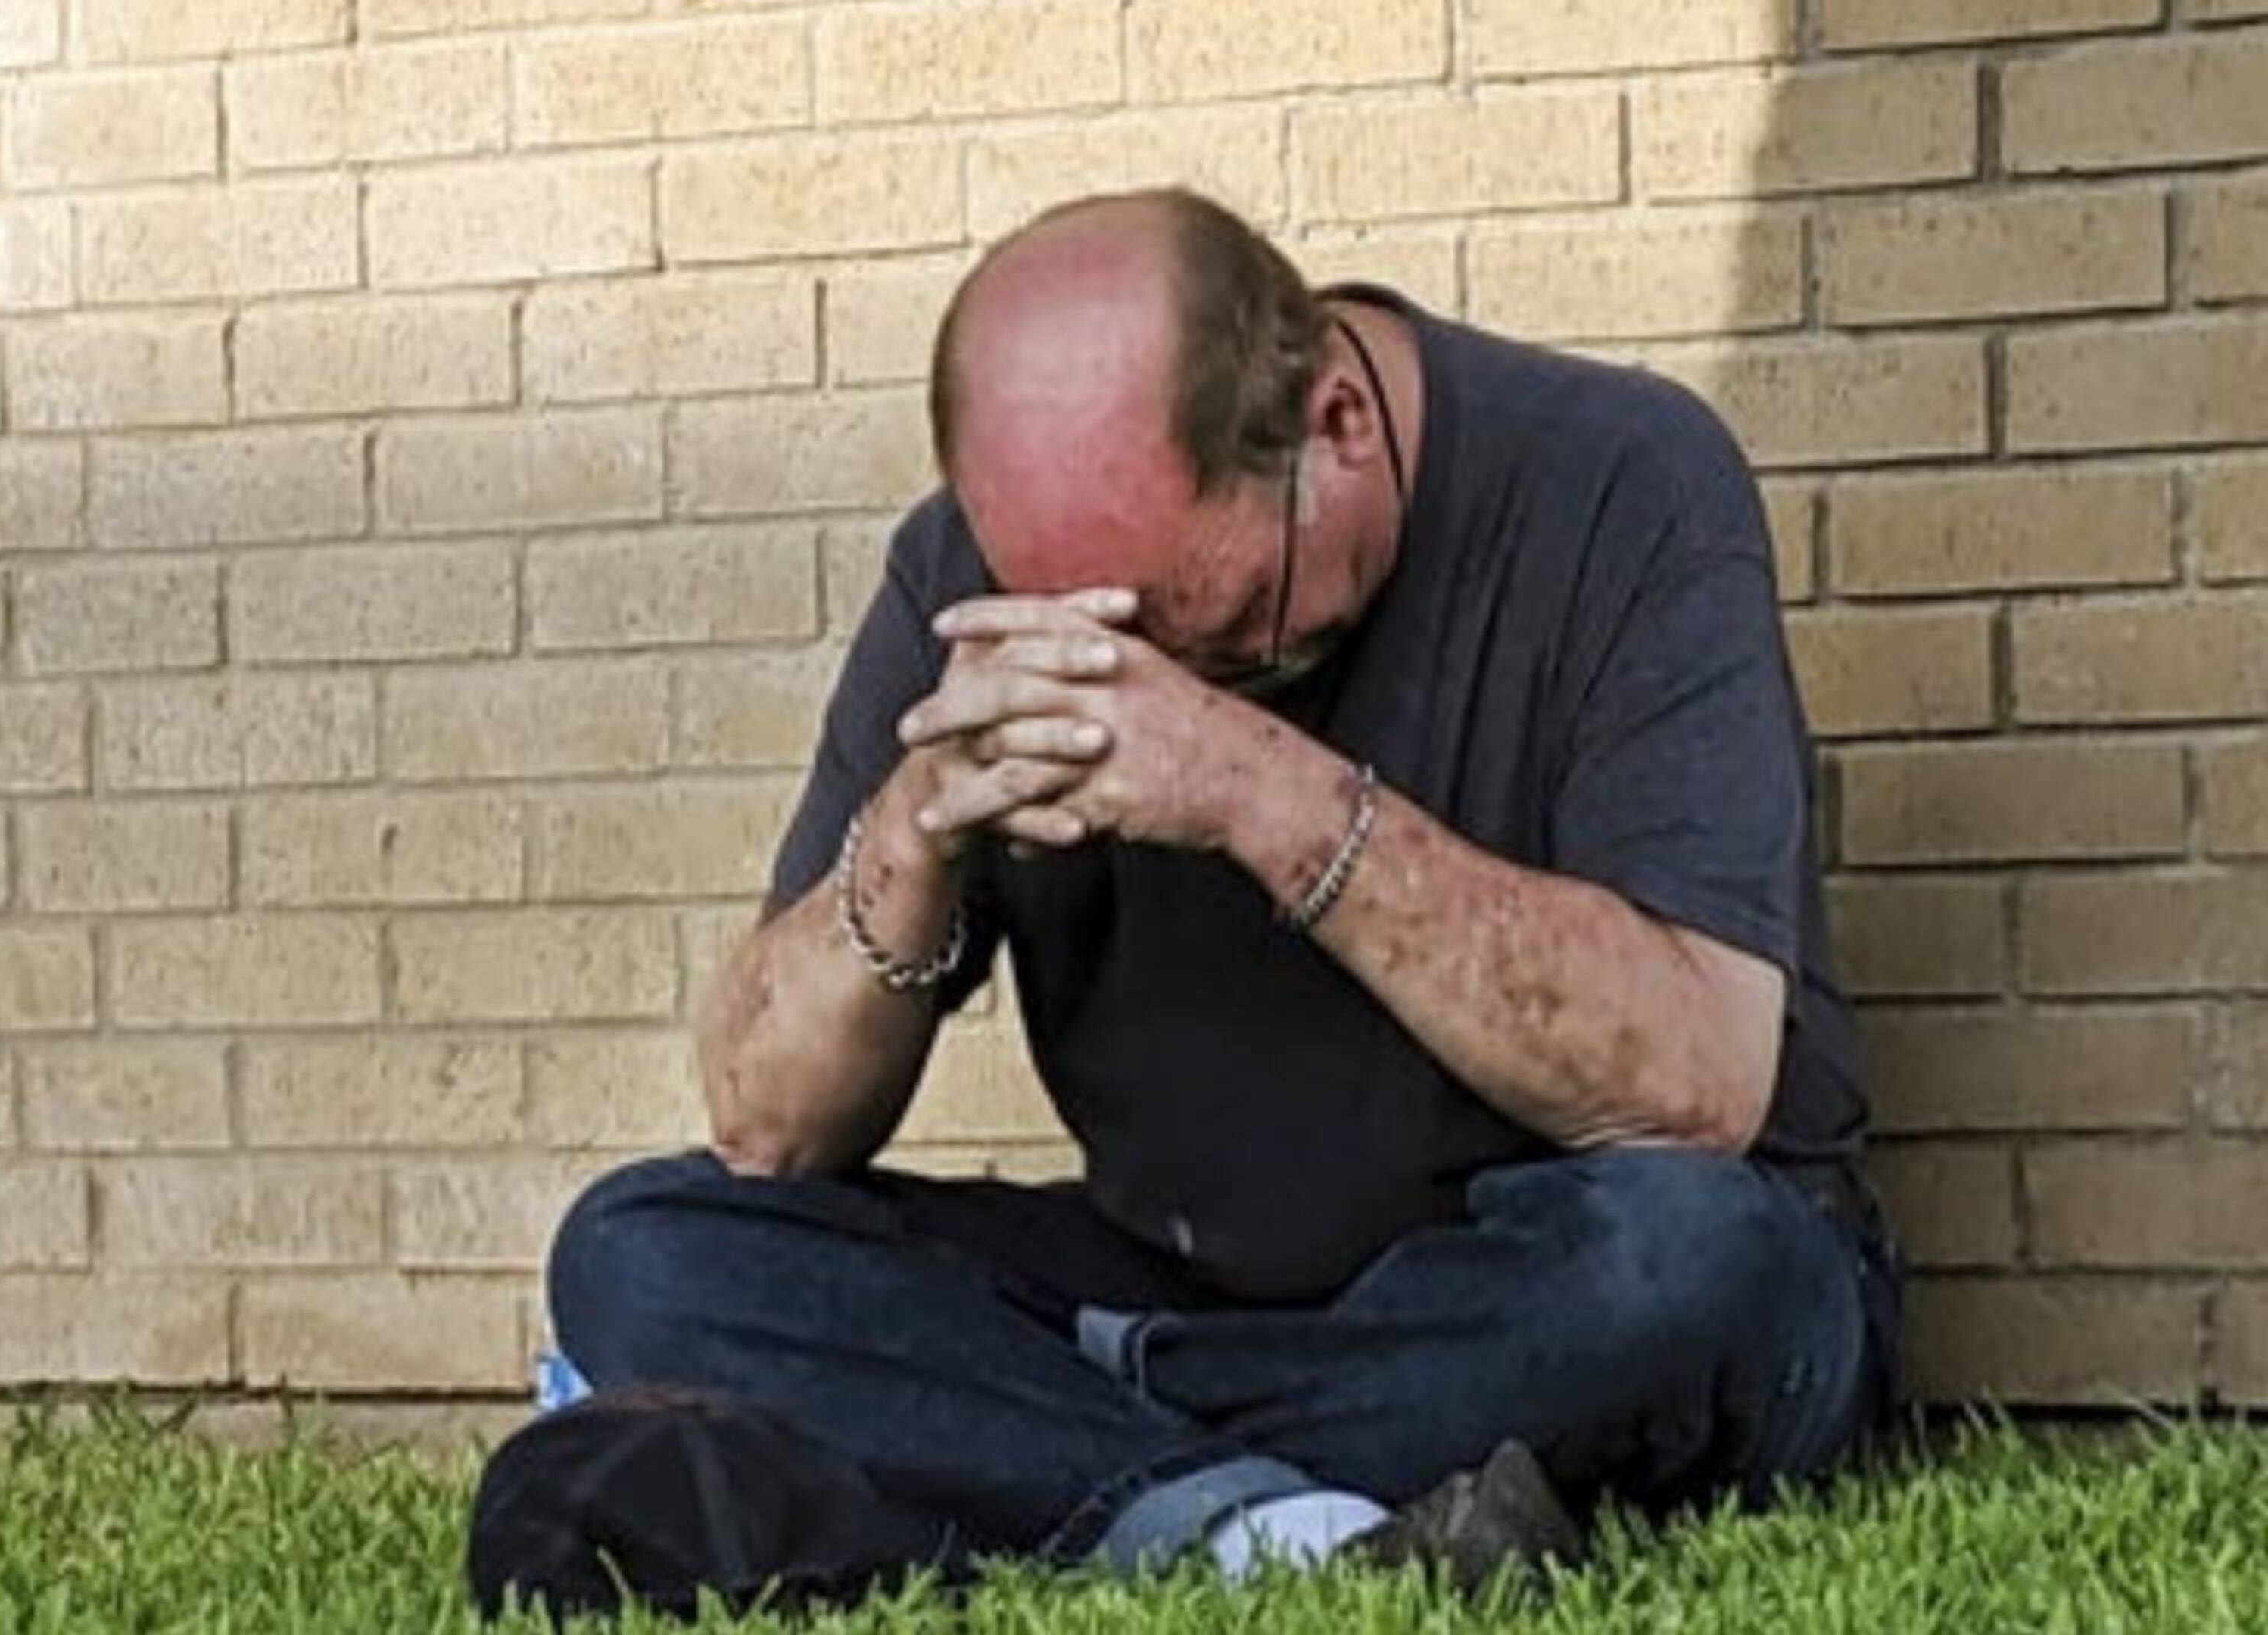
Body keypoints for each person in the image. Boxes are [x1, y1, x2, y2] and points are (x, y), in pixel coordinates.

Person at [486, 188, 1899, 1614]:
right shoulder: (966, 576)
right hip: (1179, 1285)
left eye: (1200, 625)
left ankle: (1040, 1463)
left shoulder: (1622, 481)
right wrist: (920, 826)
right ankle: (1275, 1528)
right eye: (1086, 626)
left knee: (1695, 1262)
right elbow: (768, 1123)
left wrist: (1250, 786)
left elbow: (1701, 1083)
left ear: (1337, 421)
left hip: (1542, 1267)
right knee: (645, 1250)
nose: (1145, 672)